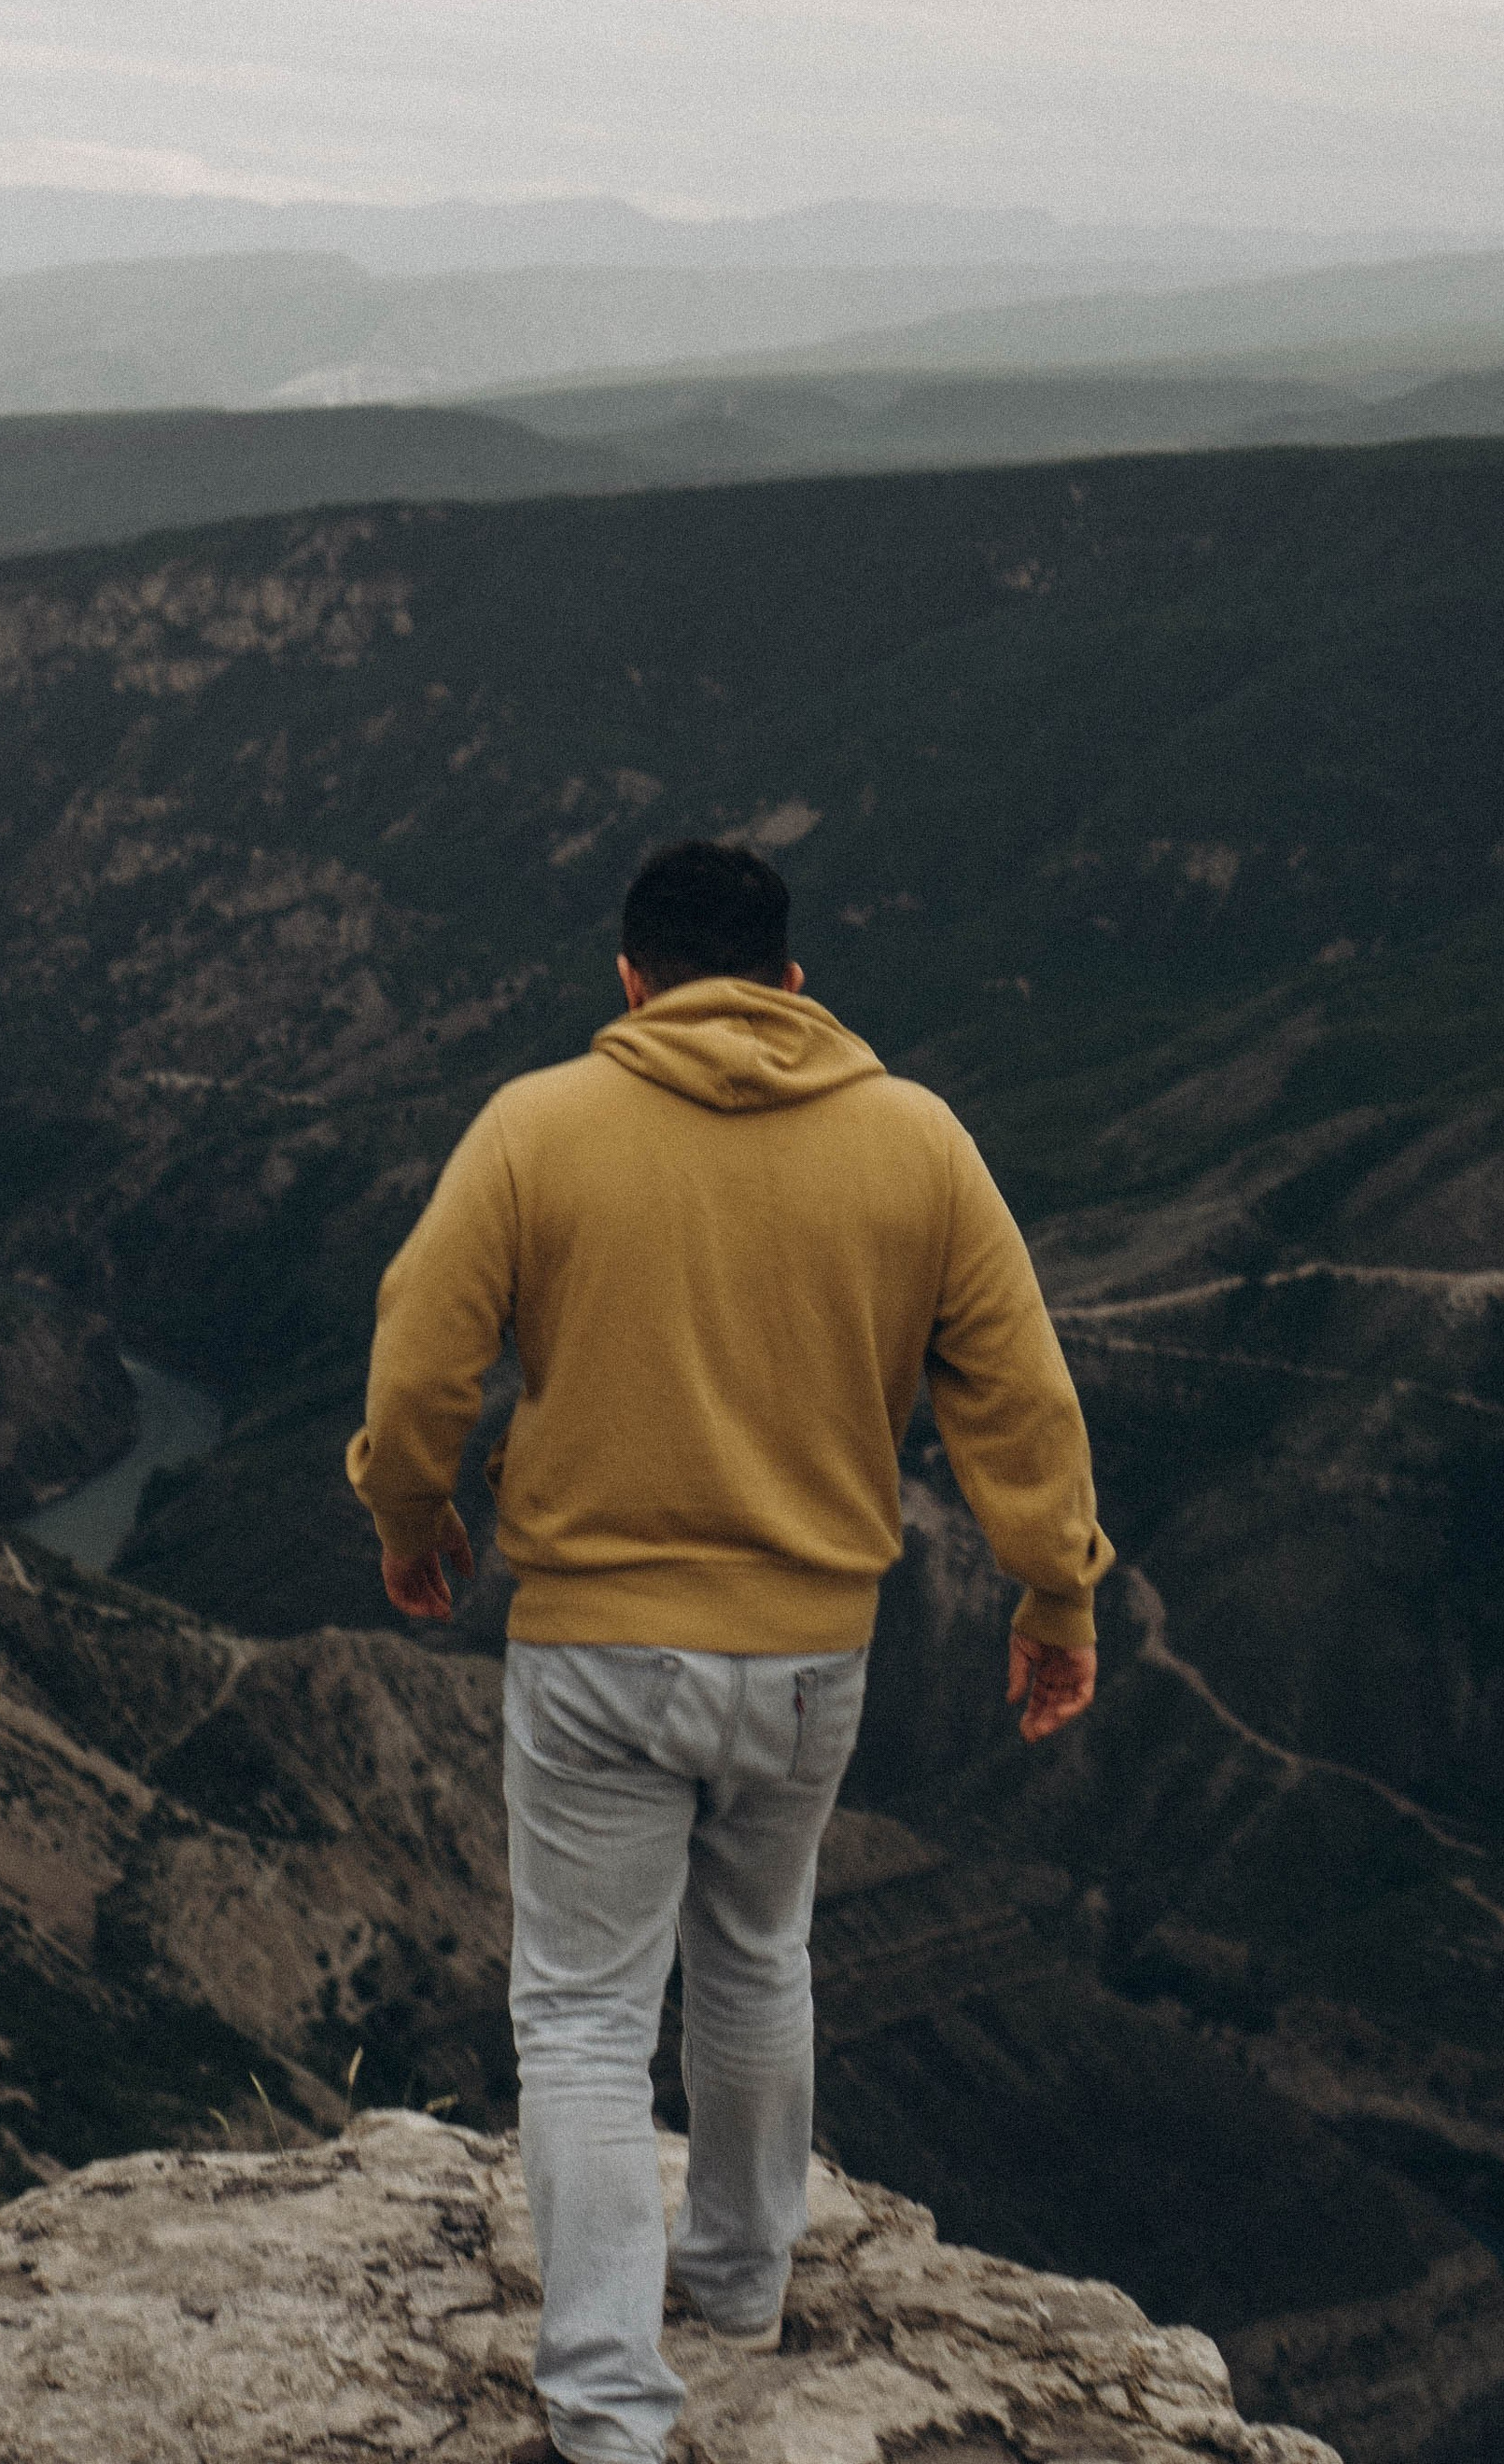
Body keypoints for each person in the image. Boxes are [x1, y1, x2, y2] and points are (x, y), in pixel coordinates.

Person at [346, 839, 1111, 2464]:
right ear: (793, 985)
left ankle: (609, 2403)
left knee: (581, 2019)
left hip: (597, 1649)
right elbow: (1020, 1393)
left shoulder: (537, 1128)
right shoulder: (916, 1140)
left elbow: (417, 1368)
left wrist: (412, 1519)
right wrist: (1057, 1590)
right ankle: (746, 2286)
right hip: (812, 1654)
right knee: (760, 1955)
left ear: (630, 981)